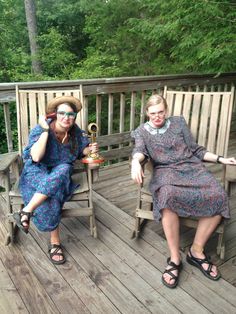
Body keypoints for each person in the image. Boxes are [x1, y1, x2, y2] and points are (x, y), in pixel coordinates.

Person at [131, 94, 236, 288]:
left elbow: (195, 150)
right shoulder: (141, 132)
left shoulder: (178, 123)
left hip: (191, 168)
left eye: (161, 112)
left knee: (219, 195)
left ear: (166, 110)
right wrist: (135, 162)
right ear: (147, 113)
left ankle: (196, 251)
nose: (157, 116)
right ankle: (174, 258)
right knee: (166, 195)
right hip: (165, 172)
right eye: (153, 113)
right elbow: (139, 151)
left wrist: (221, 159)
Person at [13, 95, 98, 265]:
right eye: (62, 113)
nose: (67, 117)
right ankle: (55, 243)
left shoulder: (75, 133)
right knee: (52, 194)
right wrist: (45, 130)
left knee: (65, 168)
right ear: (54, 114)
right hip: (37, 172)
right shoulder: (40, 130)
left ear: (74, 116)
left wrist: (90, 149)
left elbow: (82, 151)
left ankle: (26, 211)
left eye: (71, 114)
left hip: (60, 174)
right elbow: (35, 157)